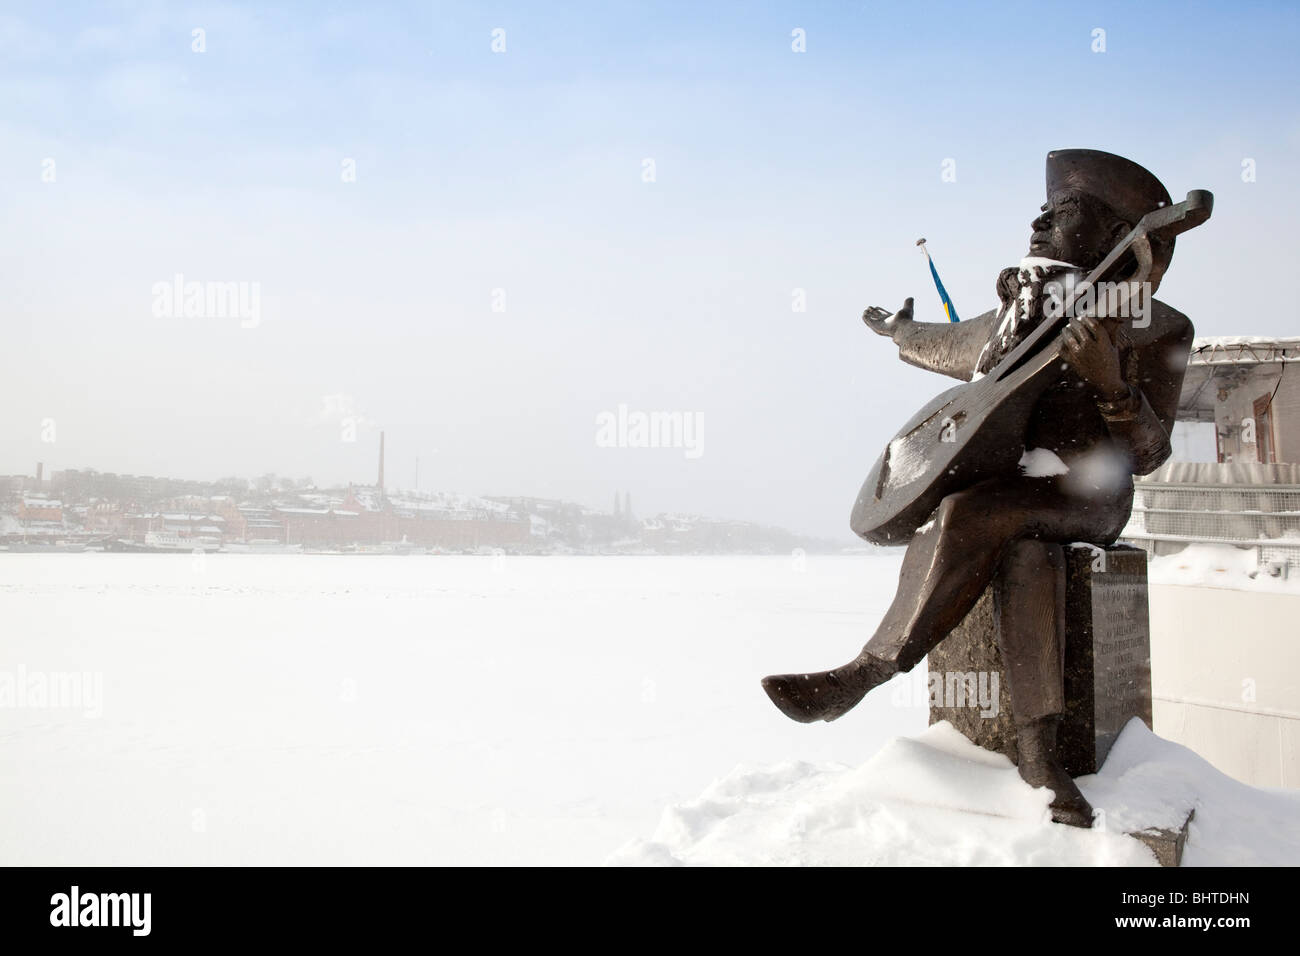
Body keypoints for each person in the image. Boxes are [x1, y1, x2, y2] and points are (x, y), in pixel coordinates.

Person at [761, 150, 1194, 827]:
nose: (1039, 219)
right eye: (1044, 208)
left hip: (1090, 497)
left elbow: (1150, 454)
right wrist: (898, 330)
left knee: (972, 510)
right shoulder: (1020, 312)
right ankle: (1039, 755)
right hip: (1022, 498)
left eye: (1065, 212)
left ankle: (867, 672)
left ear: (1115, 236)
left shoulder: (1157, 325)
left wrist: (1111, 385)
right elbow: (951, 344)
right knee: (1021, 548)